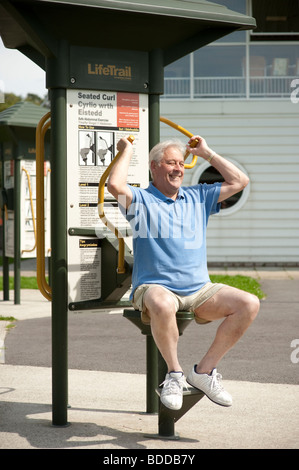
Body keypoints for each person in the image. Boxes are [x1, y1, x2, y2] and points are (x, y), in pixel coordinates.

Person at [107, 134, 260, 411]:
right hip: (155, 287)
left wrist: (206, 153)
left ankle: (203, 372)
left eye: (181, 163)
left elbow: (240, 182)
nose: (178, 168)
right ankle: (174, 375)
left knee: (249, 303)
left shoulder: (198, 196)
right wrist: (127, 149)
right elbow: (115, 184)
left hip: (199, 289)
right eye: (170, 163)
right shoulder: (141, 199)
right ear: (154, 167)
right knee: (162, 303)